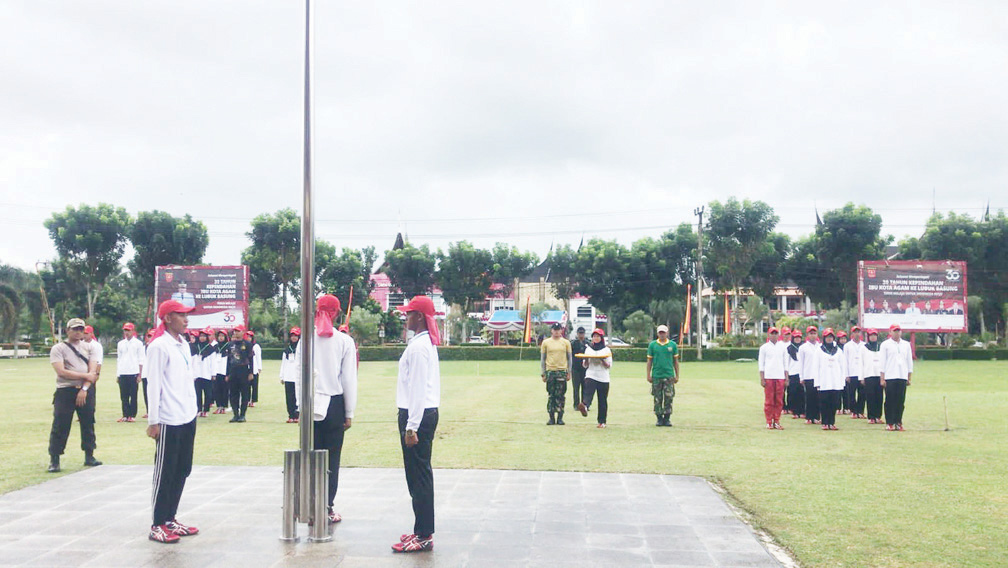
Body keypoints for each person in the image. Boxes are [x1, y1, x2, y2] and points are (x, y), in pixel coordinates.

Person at [145, 300, 200, 544]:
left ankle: (170, 518)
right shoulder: (158, 346)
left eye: (187, 315)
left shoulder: (183, 344)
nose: (186, 320)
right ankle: (157, 523)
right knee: (165, 471)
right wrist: (153, 420)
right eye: (181, 315)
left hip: (187, 414)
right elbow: (153, 384)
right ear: (167, 318)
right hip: (168, 418)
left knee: (182, 469)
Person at [301, 295, 357, 525]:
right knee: (331, 459)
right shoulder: (344, 341)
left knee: (311, 457)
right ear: (336, 313)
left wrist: (299, 409)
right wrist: (349, 412)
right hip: (334, 405)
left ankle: (310, 505)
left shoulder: (306, 339)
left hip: (310, 403)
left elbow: (298, 375)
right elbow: (349, 379)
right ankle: (326, 507)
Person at [392, 296, 441, 554]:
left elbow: (419, 388)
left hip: (417, 416)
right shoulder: (421, 344)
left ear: (419, 317)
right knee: (415, 476)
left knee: (419, 476)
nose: (406, 317)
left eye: (409, 313)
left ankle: (424, 534)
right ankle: (420, 528)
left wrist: (411, 426)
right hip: (418, 413)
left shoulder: (420, 347)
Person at [47, 318, 101, 473]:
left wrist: (84, 388)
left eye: (80, 329)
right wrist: (85, 376)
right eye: (75, 329)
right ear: (67, 330)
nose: (78, 332)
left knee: (88, 423)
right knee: (60, 424)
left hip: (85, 389)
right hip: (66, 390)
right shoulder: (59, 348)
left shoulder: (90, 347)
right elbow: (61, 371)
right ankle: (54, 459)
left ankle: (89, 455)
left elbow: (93, 371)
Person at [577, 328, 612, 429]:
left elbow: (609, 365)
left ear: (601, 338)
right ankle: (585, 406)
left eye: (598, 336)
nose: (596, 338)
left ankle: (602, 421)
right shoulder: (589, 349)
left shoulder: (606, 350)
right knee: (588, 392)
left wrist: (602, 360)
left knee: (602, 400)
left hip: (603, 377)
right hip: (591, 374)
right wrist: (587, 359)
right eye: (594, 336)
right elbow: (585, 365)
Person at [880, 324, 913, 431]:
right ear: (890, 332)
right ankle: (890, 422)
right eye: (894, 331)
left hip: (902, 376)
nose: (897, 333)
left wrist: (909, 377)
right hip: (890, 376)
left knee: (900, 401)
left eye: (898, 331)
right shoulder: (885, 344)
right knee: (890, 400)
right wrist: (882, 378)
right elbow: (882, 362)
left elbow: (909, 361)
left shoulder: (906, 344)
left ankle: (898, 422)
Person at [647, 324, 679, 427]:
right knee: (657, 397)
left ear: (667, 333)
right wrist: (648, 374)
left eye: (663, 333)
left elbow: (676, 361)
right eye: (660, 333)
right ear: (657, 333)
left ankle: (667, 418)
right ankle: (659, 418)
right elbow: (649, 361)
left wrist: (677, 375)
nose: (662, 335)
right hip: (657, 375)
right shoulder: (652, 345)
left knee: (669, 397)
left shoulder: (672, 345)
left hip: (669, 375)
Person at [815, 328, 847, 430]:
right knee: (824, 403)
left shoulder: (838, 350)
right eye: (827, 337)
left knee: (834, 403)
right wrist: (817, 382)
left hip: (835, 381)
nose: (829, 339)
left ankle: (831, 422)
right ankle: (825, 422)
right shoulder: (819, 350)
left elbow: (843, 366)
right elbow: (816, 367)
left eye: (831, 337)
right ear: (824, 338)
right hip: (824, 381)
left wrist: (842, 382)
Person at [540, 322, 572, 425]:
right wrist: (543, 373)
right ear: (551, 330)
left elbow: (569, 358)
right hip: (550, 371)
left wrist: (569, 372)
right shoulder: (546, 342)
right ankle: (551, 417)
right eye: (555, 329)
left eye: (558, 330)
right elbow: (543, 359)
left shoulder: (566, 342)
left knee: (561, 395)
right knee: (551, 395)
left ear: (561, 330)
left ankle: (560, 417)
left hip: (562, 371)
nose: (557, 331)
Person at [757, 327, 787, 429]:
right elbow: (761, 364)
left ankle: (777, 421)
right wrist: (762, 378)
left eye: (776, 333)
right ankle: (769, 421)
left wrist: (786, 377)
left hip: (780, 376)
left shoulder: (782, 347)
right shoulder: (764, 347)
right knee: (769, 400)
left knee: (779, 400)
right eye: (772, 333)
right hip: (769, 376)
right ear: (768, 335)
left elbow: (785, 363)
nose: (774, 335)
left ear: (778, 335)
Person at [116, 322, 145, 423]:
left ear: (133, 331)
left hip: (133, 372)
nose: (126, 332)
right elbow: (119, 359)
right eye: (125, 330)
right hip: (123, 372)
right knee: (123, 396)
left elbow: (141, 359)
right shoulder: (120, 343)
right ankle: (125, 415)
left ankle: (132, 415)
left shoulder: (138, 343)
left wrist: (140, 374)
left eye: (128, 330)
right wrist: (118, 374)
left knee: (133, 395)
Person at [225, 326, 254, 422]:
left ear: (243, 332)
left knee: (245, 394)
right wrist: (227, 374)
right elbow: (228, 360)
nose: (236, 333)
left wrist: (251, 372)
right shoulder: (230, 344)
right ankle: (235, 414)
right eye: (235, 331)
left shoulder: (248, 344)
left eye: (238, 331)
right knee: (233, 394)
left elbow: (251, 359)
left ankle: (242, 414)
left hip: (244, 370)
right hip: (233, 371)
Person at [860, 328, 885, 424]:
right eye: (871, 335)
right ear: (868, 337)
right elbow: (861, 363)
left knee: (879, 396)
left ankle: (878, 416)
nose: (873, 337)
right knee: (870, 396)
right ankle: (871, 417)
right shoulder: (864, 348)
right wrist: (861, 377)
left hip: (879, 375)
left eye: (875, 335)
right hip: (868, 374)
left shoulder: (881, 347)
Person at [798, 326, 821, 424]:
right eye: (811, 333)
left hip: (818, 376)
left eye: (814, 333)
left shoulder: (820, 347)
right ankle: (809, 417)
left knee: (818, 397)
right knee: (809, 397)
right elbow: (801, 363)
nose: (813, 335)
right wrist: (801, 377)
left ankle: (816, 417)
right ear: (807, 335)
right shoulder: (803, 347)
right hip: (808, 375)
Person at [192, 328, 216, 418]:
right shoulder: (195, 347)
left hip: (207, 374)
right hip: (197, 374)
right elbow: (193, 361)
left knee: (208, 393)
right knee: (197, 393)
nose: (202, 338)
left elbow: (213, 362)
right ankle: (198, 409)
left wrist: (213, 374)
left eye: (204, 336)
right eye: (201, 336)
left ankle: (206, 410)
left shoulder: (210, 349)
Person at [280, 327, 301, 423]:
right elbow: (283, 363)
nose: (294, 338)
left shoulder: (302, 349)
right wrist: (282, 376)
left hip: (298, 377)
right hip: (288, 376)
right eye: (292, 335)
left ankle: (297, 415)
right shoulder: (287, 349)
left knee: (298, 396)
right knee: (289, 397)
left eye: (296, 336)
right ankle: (290, 415)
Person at [845, 326, 865, 419]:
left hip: (861, 373)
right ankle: (853, 411)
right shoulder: (847, 346)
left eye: (858, 332)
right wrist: (846, 374)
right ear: (852, 334)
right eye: (855, 332)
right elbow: (845, 360)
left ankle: (860, 411)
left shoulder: (864, 345)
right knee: (851, 393)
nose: (857, 334)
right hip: (852, 372)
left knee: (862, 393)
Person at [785, 329, 805, 419]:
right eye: (796, 337)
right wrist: (787, 376)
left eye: (799, 337)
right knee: (793, 393)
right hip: (792, 374)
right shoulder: (789, 348)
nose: (797, 339)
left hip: (802, 374)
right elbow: (786, 363)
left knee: (802, 394)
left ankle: (802, 411)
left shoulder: (804, 348)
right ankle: (795, 412)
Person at [569, 327, 589, 411]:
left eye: (582, 333)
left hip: (585, 369)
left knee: (585, 387)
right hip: (575, 368)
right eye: (580, 333)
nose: (581, 335)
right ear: (577, 334)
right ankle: (576, 405)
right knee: (576, 388)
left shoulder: (588, 344)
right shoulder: (573, 344)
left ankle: (584, 404)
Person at [212, 330, 230, 414]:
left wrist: (228, 373)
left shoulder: (228, 346)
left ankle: (224, 407)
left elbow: (230, 360)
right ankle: (218, 406)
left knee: (224, 389)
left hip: (224, 371)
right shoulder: (215, 346)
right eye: (219, 336)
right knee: (216, 389)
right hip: (216, 371)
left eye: (222, 336)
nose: (221, 337)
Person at [247, 331, 262, 408]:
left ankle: (253, 400)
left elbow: (258, 357)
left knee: (254, 385)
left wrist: (259, 367)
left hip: (255, 368)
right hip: (247, 368)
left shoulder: (256, 346)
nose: (248, 338)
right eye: (247, 336)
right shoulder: (245, 345)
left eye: (250, 337)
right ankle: (248, 400)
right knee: (247, 386)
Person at [836, 331, 850, 414]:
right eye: (841, 339)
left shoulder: (848, 347)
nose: (843, 340)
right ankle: (838, 408)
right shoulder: (836, 348)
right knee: (838, 391)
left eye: (844, 338)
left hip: (846, 371)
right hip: (838, 372)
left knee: (846, 391)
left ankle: (846, 407)